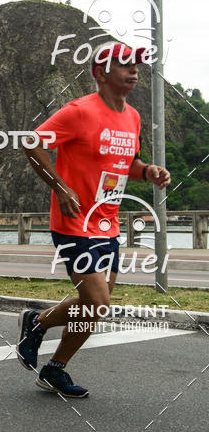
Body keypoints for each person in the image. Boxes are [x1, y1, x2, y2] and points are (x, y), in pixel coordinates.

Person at [18, 43, 170, 398]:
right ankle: (37, 324)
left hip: (107, 224)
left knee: (94, 308)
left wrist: (148, 171)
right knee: (98, 301)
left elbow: (128, 163)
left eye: (136, 64)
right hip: (73, 222)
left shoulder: (132, 117)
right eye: (124, 64)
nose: (133, 70)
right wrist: (60, 187)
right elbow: (31, 143)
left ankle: (53, 365)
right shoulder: (79, 112)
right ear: (101, 73)